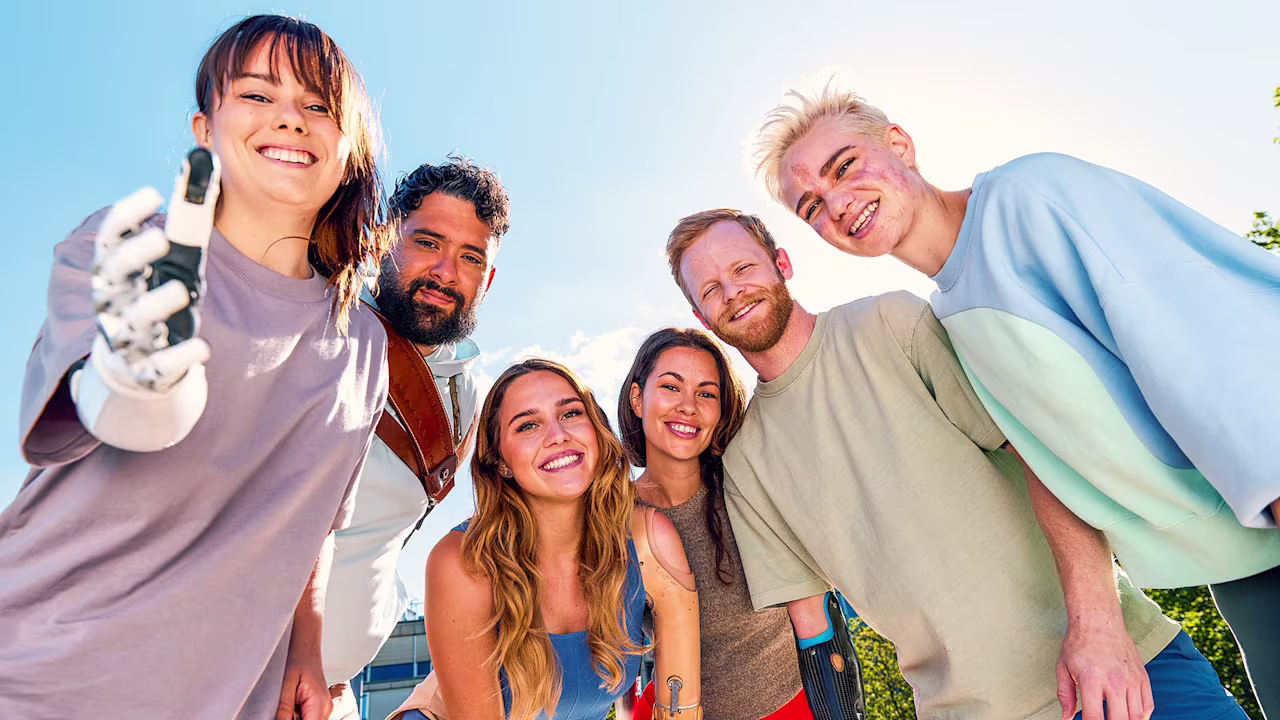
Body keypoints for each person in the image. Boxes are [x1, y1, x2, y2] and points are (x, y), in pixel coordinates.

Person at [753, 85, 1280, 716]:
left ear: (900, 145)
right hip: (1242, 560)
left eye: (845, 167)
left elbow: (1210, 338)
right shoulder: (949, 316)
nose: (837, 204)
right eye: (811, 206)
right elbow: (1051, 467)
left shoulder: (1028, 198)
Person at [665, 208, 1248, 720]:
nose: (733, 291)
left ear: (782, 262)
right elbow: (812, 626)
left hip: (1118, 662)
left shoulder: (889, 324)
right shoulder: (743, 459)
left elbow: (1040, 456)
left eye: (743, 268)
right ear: (698, 312)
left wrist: (1099, 628)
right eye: (711, 288)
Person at [0, 15, 392, 720]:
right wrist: (137, 391)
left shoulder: (364, 344)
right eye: (256, 94)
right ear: (204, 129)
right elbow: (104, 403)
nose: (290, 119)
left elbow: (312, 524)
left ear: (350, 146)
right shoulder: (125, 250)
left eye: (318, 105)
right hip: (41, 681)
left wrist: (306, 650)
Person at [388, 359, 703, 720]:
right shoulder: (463, 561)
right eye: (528, 425)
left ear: (597, 433)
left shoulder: (648, 541)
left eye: (570, 414)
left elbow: (681, 709)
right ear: (501, 463)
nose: (557, 435)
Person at [323, 158, 510, 719]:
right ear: (385, 239)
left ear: (488, 279)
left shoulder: (469, 400)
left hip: (333, 694)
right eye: (428, 242)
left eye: (470, 257)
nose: (446, 271)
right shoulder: (319, 328)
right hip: (233, 676)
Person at [619, 328, 864, 720]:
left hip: (796, 705)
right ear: (637, 398)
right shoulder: (611, 518)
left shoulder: (749, 487)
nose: (688, 406)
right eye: (670, 387)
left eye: (706, 393)